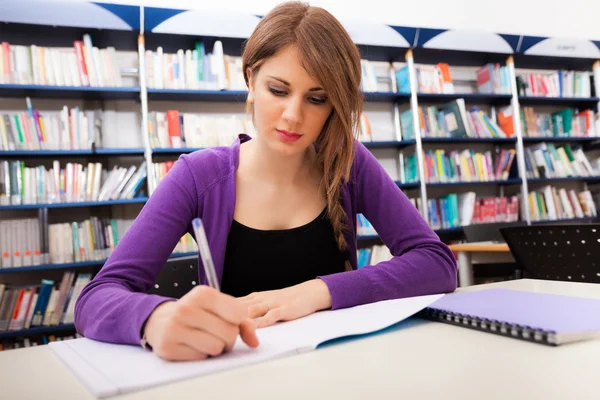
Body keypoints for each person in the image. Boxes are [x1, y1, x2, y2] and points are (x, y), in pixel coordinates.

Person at [74, 1, 457, 362]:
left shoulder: (348, 162)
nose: (293, 115)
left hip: (340, 369)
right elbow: (95, 299)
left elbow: (437, 263)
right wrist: (154, 319)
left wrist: (314, 293)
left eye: (317, 98)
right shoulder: (197, 176)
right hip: (238, 373)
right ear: (250, 79)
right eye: (278, 90)